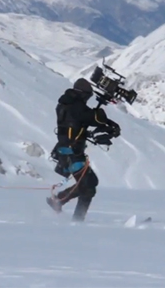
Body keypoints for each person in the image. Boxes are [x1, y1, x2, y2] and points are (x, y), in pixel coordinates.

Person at [46, 78, 121, 222]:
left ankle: (63, 204)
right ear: (83, 94)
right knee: (88, 186)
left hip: (67, 151)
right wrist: (109, 124)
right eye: (88, 96)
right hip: (72, 153)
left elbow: (76, 125)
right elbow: (94, 118)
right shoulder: (76, 107)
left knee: (89, 184)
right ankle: (71, 214)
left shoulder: (65, 104)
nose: (88, 99)